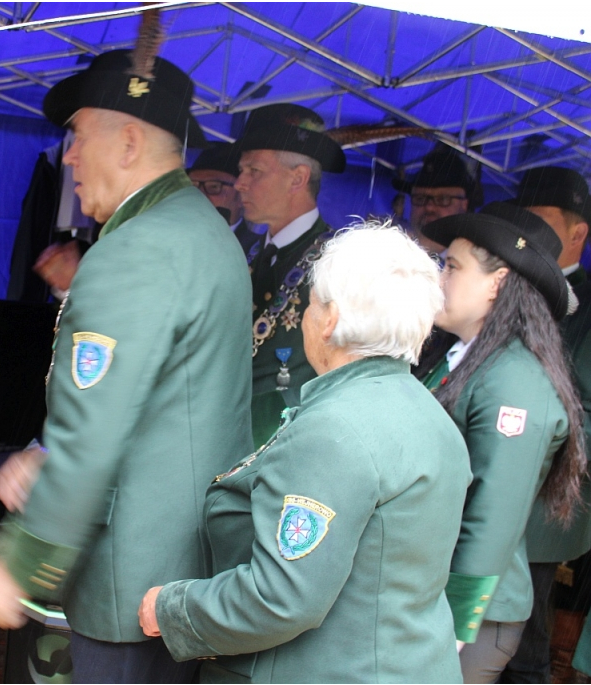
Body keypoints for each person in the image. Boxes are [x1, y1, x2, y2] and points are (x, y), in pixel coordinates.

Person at [0, 48, 255, 683]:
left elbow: (91, 435)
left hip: (125, 583)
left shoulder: (135, 250)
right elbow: (166, 402)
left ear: (126, 143)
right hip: (181, 572)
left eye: (77, 136)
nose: (67, 156)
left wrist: (19, 565)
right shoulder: (203, 231)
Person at [137, 223, 470, 682]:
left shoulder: (336, 429)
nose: (308, 317)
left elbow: (280, 597)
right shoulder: (431, 416)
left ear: (330, 319)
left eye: (311, 303)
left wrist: (173, 608)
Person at [420, 202, 586, 683]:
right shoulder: (459, 357)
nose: (438, 277)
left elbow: (492, 518)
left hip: (466, 613)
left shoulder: (516, 382)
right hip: (430, 593)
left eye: (452, 266)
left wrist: (451, 626)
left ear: (498, 281)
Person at [503, 166, 591, 683]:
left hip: (543, 510)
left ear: (578, 232)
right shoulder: (509, 292)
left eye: (538, 221)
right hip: (488, 495)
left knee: (523, 650)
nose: (524, 235)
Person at [235, 102, 346, 447]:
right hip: (228, 433)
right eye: (241, 171)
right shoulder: (241, 249)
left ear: (297, 178)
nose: (239, 183)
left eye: (254, 171)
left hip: (284, 444)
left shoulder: (338, 264)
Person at [394, 147, 482, 256]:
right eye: (420, 198)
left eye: (443, 199)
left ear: (464, 205)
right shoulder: (391, 258)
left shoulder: (476, 265)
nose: (429, 207)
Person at [187, 143, 257, 260]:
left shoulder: (256, 251)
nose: (199, 195)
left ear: (241, 195)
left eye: (214, 187)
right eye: (192, 186)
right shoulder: (169, 237)